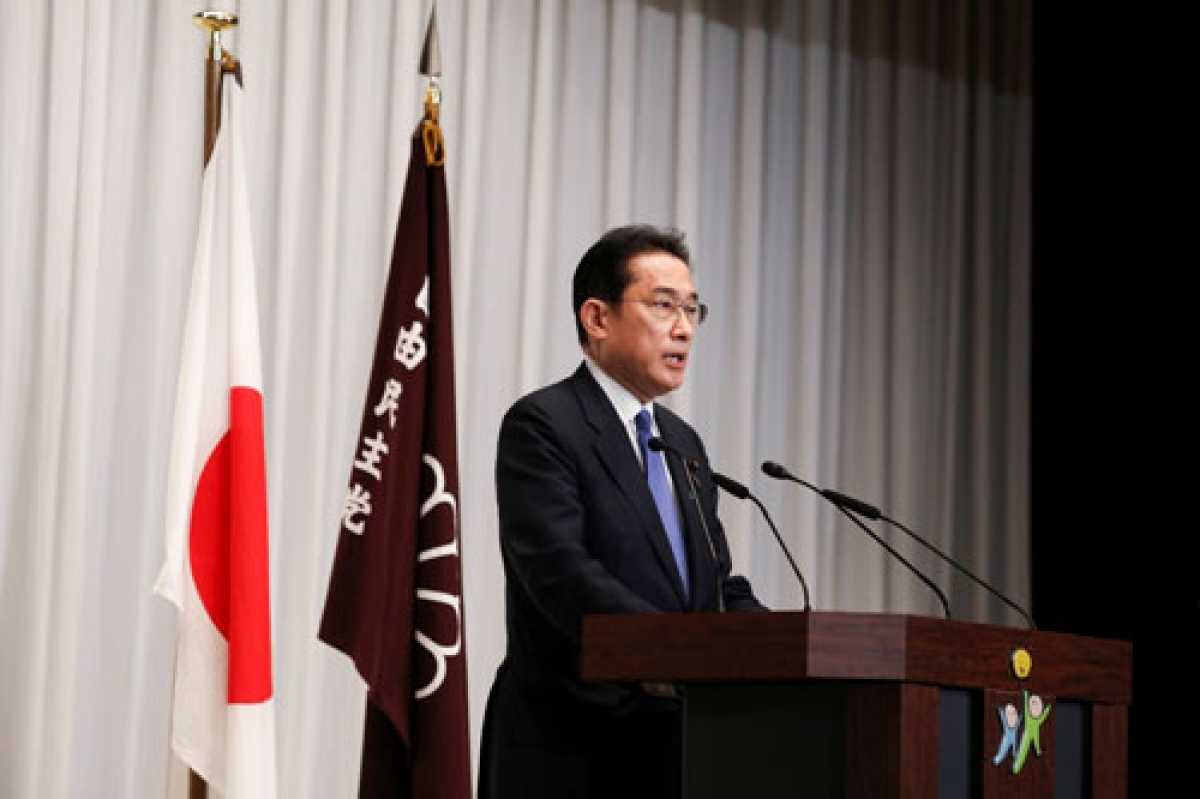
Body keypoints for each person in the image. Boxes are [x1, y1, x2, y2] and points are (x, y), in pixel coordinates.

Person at [478, 223, 766, 799]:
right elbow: (561, 573)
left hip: (673, 749)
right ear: (598, 318)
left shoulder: (681, 442)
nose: (684, 327)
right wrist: (683, 652)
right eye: (664, 306)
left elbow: (712, 585)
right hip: (571, 747)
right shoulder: (544, 425)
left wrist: (783, 642)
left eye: (692, 309)